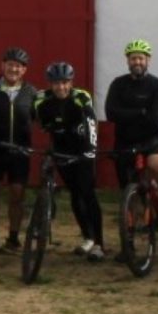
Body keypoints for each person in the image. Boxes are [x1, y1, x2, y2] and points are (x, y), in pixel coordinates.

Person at [34, 62, 107, 260]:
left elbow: (92, 122)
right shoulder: (41, 99)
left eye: (65, 83)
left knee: (87, 194)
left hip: (82, 150)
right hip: (61, 151)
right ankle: (87, 237)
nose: (61, 87)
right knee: (75, 194)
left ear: (71, 82)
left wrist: (91, 149)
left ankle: (99, 244)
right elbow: (32, 119)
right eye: (56, 83)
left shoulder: (81, 97)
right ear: (50, 83)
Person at [103, 40, 158, 216]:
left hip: (152, 139)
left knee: (156, 164)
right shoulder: (118, 84)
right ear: (127, 61)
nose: (137, 62)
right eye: (133, 58)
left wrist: (126, 114)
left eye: (141, 58)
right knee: (127, 185)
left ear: (148, 60)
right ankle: (134, 225)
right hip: (124, 140)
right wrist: (140, 112)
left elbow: (155, 118)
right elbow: (110, 113)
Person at [0, 49, 37, 255]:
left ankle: (13, 238)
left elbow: (42, 117)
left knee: (17, 194)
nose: (14, 69)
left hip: (20, 151)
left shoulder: (32, 93)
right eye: (11, 64)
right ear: (2, 65)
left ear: (24, 70)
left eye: (19, 66)